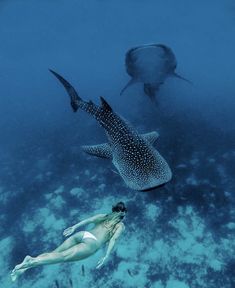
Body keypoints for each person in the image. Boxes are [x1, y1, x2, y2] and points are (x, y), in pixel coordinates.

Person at [11, 201, 127, 281]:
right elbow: (114, 239)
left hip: (83, 234)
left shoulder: (104, 215)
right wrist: (106, 255)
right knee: (62, 257)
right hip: (92, 244)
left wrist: (74, 227)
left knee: (55, 253)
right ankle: (31, 261)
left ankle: (24, 269)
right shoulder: (120, 226)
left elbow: (88, 220)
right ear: (123, 214)